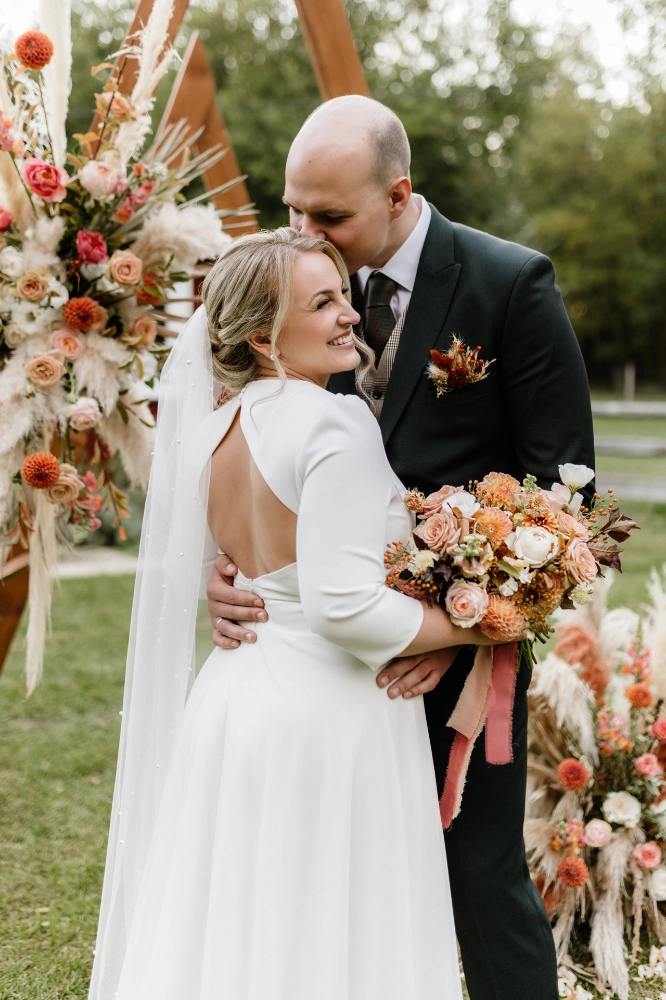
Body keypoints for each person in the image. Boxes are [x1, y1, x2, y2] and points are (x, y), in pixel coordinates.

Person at [206, 95, 596, 1000]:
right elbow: (257, 446)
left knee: (477, 876)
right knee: (334, 882)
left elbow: (566, 496)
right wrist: (231, 570)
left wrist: (468, 624)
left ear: (397, 193)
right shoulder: (294, 288)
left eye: (329, 216)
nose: (306, 233)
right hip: (321, 668)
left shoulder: (509, 284)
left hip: (466, 661)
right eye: (293, 209)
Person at [89, 228, 498, 1000]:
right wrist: (484, 621)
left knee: (247, 918)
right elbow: (344, 607)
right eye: (322, 303)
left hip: (234, 701)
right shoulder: (332, 421)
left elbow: (222, 565)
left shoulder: (215, 428)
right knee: (329, 922)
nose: (350, 314)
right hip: (330, 714)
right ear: (261, 336)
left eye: (342, 294)